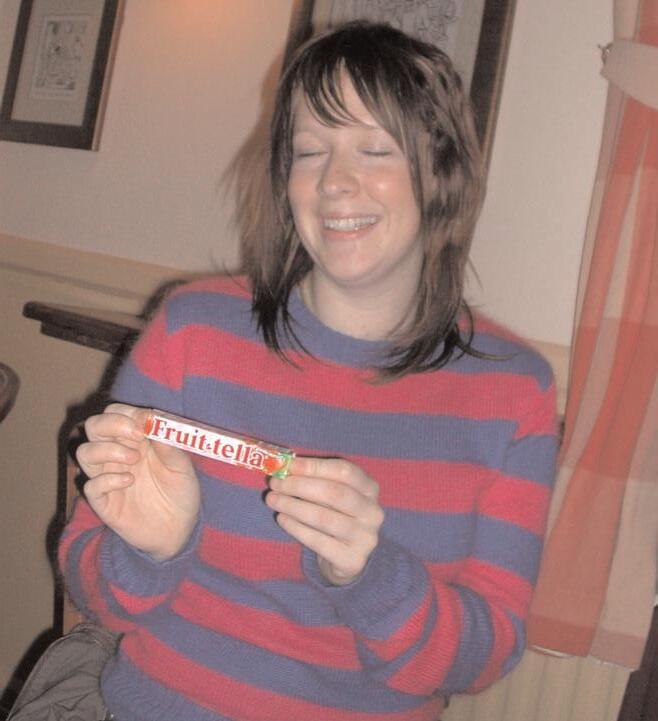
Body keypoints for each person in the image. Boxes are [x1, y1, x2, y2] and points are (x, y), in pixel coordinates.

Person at [59, 20, 558, 721]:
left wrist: (368, 576)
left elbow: (487, 655)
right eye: (309, 150)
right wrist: (151, 550)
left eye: (375, 149)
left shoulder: (516, 391)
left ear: (440, 174)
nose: (334, 182)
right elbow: (92, 592)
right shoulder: (192, 330)